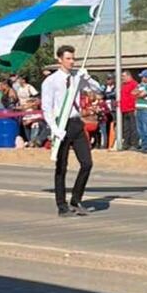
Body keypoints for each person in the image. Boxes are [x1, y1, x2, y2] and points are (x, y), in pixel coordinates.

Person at [42, 44, 101, 217]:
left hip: (76, 123)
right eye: (68, 58)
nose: (71, 62)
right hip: (61, 124)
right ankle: (61, 205)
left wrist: (87, 78)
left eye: (73, 58)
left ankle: (76, 199)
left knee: (87, 163)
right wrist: (53, 128)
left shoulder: (77, 77)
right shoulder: (51, 81)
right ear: (59, 59)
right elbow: (47, 107)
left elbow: (97, 90)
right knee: (61, 167)